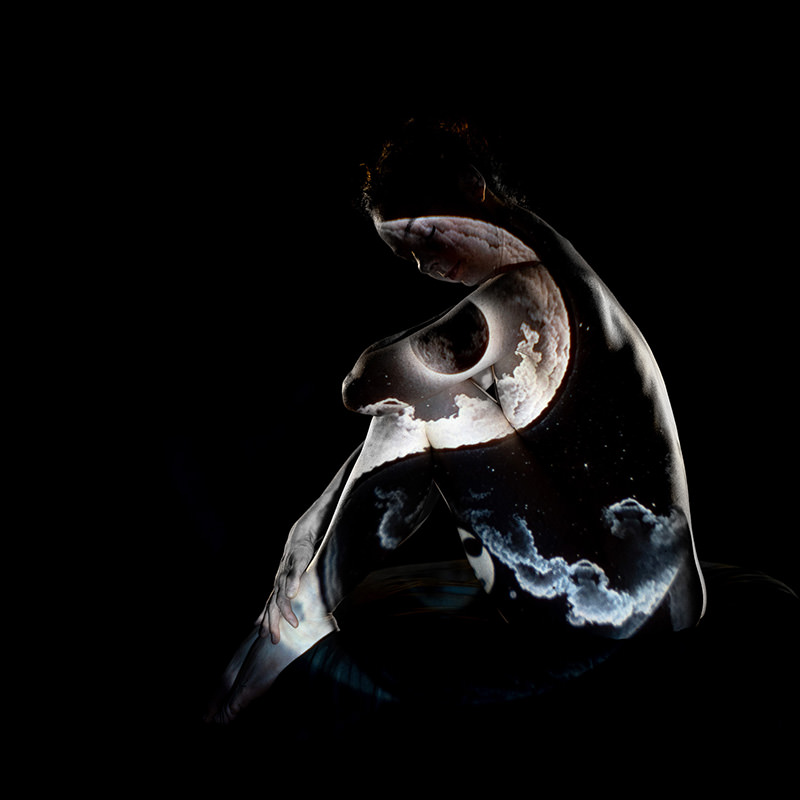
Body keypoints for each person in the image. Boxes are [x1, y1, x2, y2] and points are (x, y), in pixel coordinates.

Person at [205, 119, 706, 726]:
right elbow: (406, 420)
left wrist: (318, 536)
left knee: (425, 393)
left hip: (619, 606)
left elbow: (370, 384)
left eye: (424, 233)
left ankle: (303, 616)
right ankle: (302, 609)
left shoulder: (529, 290)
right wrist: (311, 522)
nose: (423, 263)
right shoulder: (549, 278)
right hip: (627, 595)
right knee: (432, 401)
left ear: (472, 188)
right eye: (405, 253)